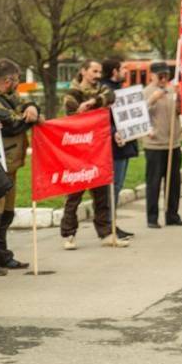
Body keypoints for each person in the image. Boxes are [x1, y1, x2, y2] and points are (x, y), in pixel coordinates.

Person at [59, 59, 129, 249]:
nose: (98, 75)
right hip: (79, 152)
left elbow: (110, 96)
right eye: (94, 71)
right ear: (83, 71)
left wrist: (92, 102)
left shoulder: (101, 89)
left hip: (98, 151)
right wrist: (86, 110)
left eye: (99, 72)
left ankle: (106, 233)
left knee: (103, 194)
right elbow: (73, 116)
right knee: (74, 195)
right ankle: (69, 234)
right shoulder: (72, 93)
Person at [0, 58, 42, 272]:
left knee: (7, 212)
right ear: (8, 81)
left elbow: (23, 106)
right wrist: (30, 117)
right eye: (17, 80)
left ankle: (1, 253)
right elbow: (12, 123)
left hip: (11, 164)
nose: (18, 85)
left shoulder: (6, 94)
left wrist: (31, 107)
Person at [143, 62, 182, 229]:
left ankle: (172, 215)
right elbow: (139, 114)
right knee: (154, 182)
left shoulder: (172, 90)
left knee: (174, 182)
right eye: (160, 75)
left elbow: (180, 111)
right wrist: (152, 99)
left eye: (166, 75)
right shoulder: (146, 92)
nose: (164, 78)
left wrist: (180, 102)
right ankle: (152, 217)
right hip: (155, 144)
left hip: (173, 143)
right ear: (152, 76)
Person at [102, 58, 139, 236]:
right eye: (123, 68)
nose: (127, 71)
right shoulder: (105, 92)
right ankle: (109, 225)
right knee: (113, 187)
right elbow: (102, 119)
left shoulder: (119, 90)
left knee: (118, 186)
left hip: (124, 144)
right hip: (113, 146)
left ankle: (112, 223)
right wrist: (114, 131)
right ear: (114, 71)